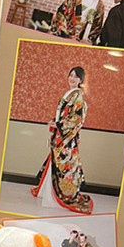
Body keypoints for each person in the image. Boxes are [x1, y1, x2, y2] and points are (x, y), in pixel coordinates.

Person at [31, 66, 92, 215]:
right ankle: (49, 193)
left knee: (65, 166)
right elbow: (63, 115)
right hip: (61, 135)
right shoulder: (70, 94)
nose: (72, 79)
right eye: (71, 75)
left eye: (76, 77)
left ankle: (64, 194)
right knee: (56, 164)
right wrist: (55, 121)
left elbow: (76, 119)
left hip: (67, 138)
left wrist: (58, 125)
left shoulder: (78, 97)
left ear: (81, 80)